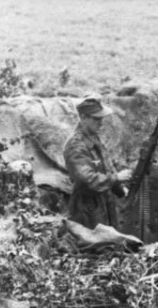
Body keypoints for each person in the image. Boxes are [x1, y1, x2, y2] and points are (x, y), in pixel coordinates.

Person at [63, 94, 133, 230]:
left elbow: (106, 167)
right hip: (87, 212)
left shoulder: (93, 137)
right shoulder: (75, 145)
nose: (100, 122)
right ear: (83, 117)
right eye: (96, 119)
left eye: (101, 118)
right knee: (94, 242)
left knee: (110, 239)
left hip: (104, 205)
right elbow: (86, 180)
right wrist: (116, 178)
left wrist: (120, 189)